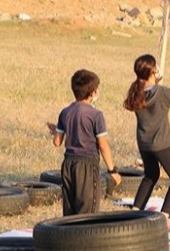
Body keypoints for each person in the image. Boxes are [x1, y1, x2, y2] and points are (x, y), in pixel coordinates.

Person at [124, 54, 170, 218]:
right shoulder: (162, 93)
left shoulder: (135, 92)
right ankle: (164, 216)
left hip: (143, 143)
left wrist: (155, 82)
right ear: (153, 71)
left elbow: (149, 91)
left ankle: (135, 211)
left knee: (150, 175)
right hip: (162, 144)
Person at [48, 69, 122, 216]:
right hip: (87, 164)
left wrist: (56, 131)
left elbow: (57, 142)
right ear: (92, 93)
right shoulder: (96, 115)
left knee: (70, 210)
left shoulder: (65, 112)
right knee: (88, 211)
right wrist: (112, 170)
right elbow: (102, 145)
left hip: (69, 163)